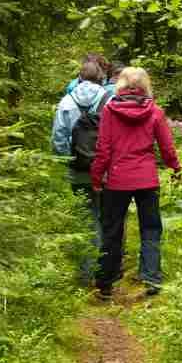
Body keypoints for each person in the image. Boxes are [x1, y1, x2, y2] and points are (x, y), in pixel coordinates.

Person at [90, 67, 181, 299]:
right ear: (145, 86)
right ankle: (152, 279)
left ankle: (105, 284)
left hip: (117, 180)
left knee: (112, 231)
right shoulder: (155, 111)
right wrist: (175, 167)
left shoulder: (109, 110)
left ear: (120, 85)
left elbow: (103, 148)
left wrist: (96, 177)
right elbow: (166, 146)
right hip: (147, 179)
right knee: (150, 229)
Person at [52, 61, 110, 282]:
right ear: (101, 78)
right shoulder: (109, 100)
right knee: (107, 217)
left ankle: (85, 272)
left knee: (86, 216)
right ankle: (106, 272)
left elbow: (58, 138)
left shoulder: (66, 102)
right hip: (105, 171)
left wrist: (70, 160)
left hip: (78, 170)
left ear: (79, 77)